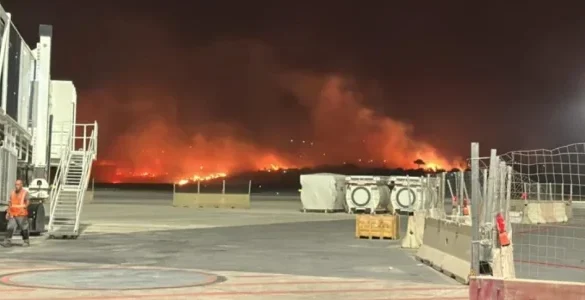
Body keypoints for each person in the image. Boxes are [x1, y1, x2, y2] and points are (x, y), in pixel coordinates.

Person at [1, 180, 30, 247]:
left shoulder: (25, 193)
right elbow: (10, 204)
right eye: (16, 184)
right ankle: (7, 242)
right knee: (10, 227)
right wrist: (8, 212)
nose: (17, 186)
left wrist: (25, 207)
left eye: (18, 184)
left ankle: (26, 241)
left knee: (24, 228)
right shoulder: (12, 193)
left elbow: (28, 201)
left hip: (21, 214)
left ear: (21, 185)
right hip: (13, 214)